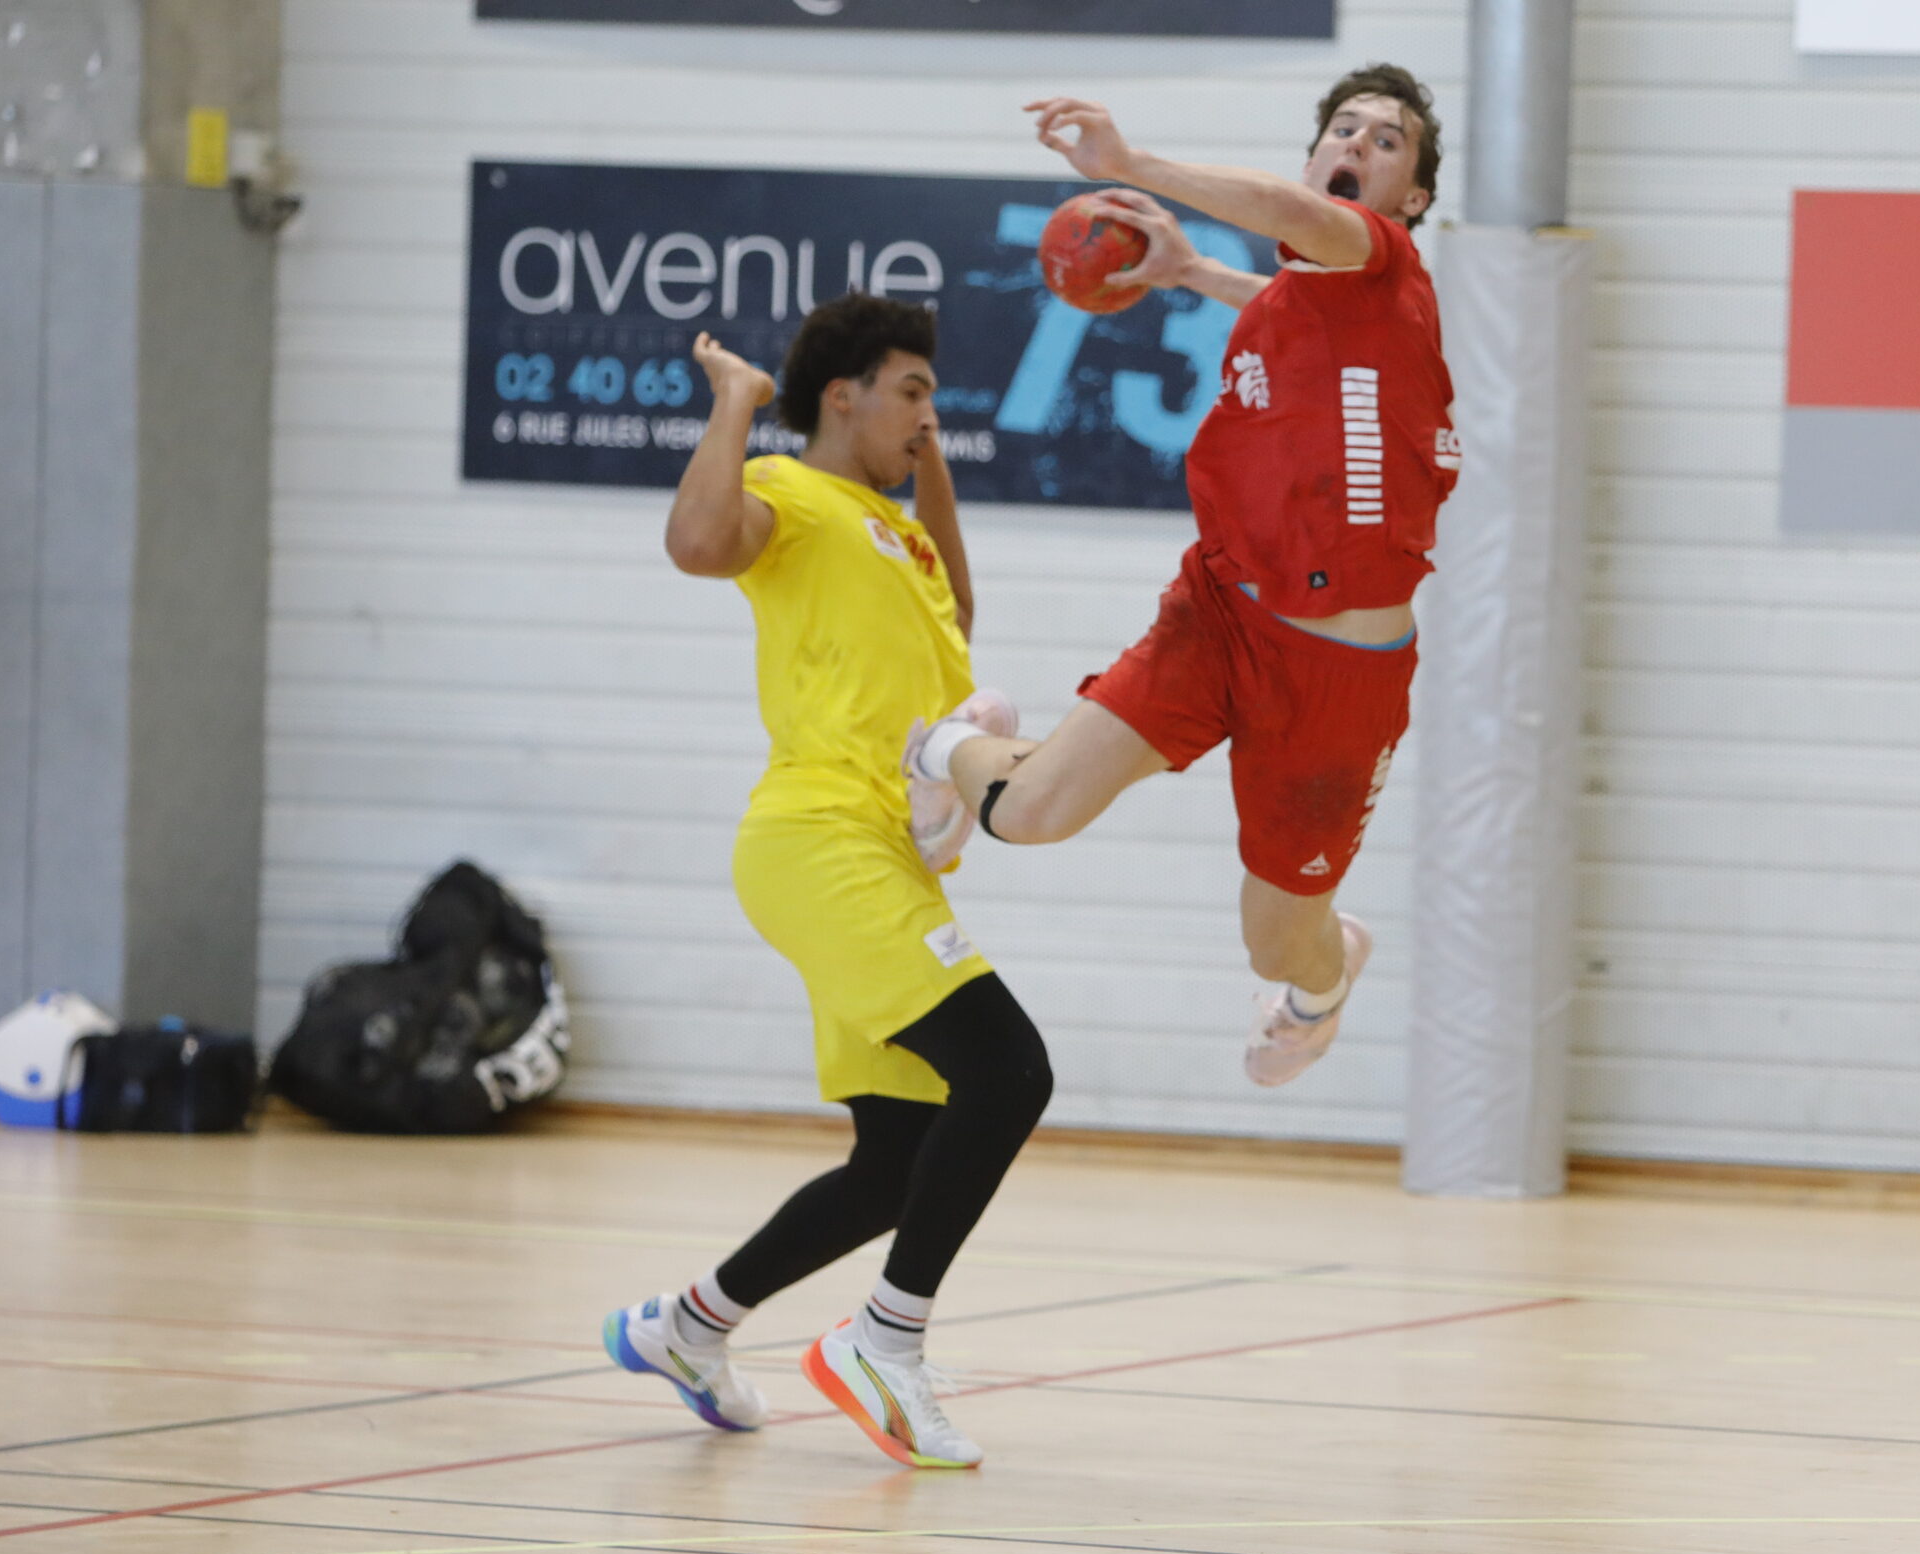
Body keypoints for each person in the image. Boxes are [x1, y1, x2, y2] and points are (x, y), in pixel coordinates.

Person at [903, 64, 1458, 1089]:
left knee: (1276, 944)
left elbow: (1293, 218)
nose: (1357, 145)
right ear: (1314, 154)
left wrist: (1131, 164)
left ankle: (1324, 986)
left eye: (1387, 142)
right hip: (1218, 612)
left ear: (1412, 198)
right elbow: (1281, 294)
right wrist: (1191, 269)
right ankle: (943, 745)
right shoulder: (1307, 300)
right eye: (1342, 128)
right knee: (1026, 814)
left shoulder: (1381, 261)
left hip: (1338, 678)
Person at [601, 295, 1049, 1470]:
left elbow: (956, 610)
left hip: (876, 855)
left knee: (896, 1160)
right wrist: (738, 405)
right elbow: (697, 544)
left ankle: (686, 1326)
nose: (928, 411)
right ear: (840, 397)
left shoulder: (891, 529)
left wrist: (929, 462)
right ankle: (883, 1341)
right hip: (819, 839)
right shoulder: (791, 495)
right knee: (1007, 1069)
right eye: (911, 391)